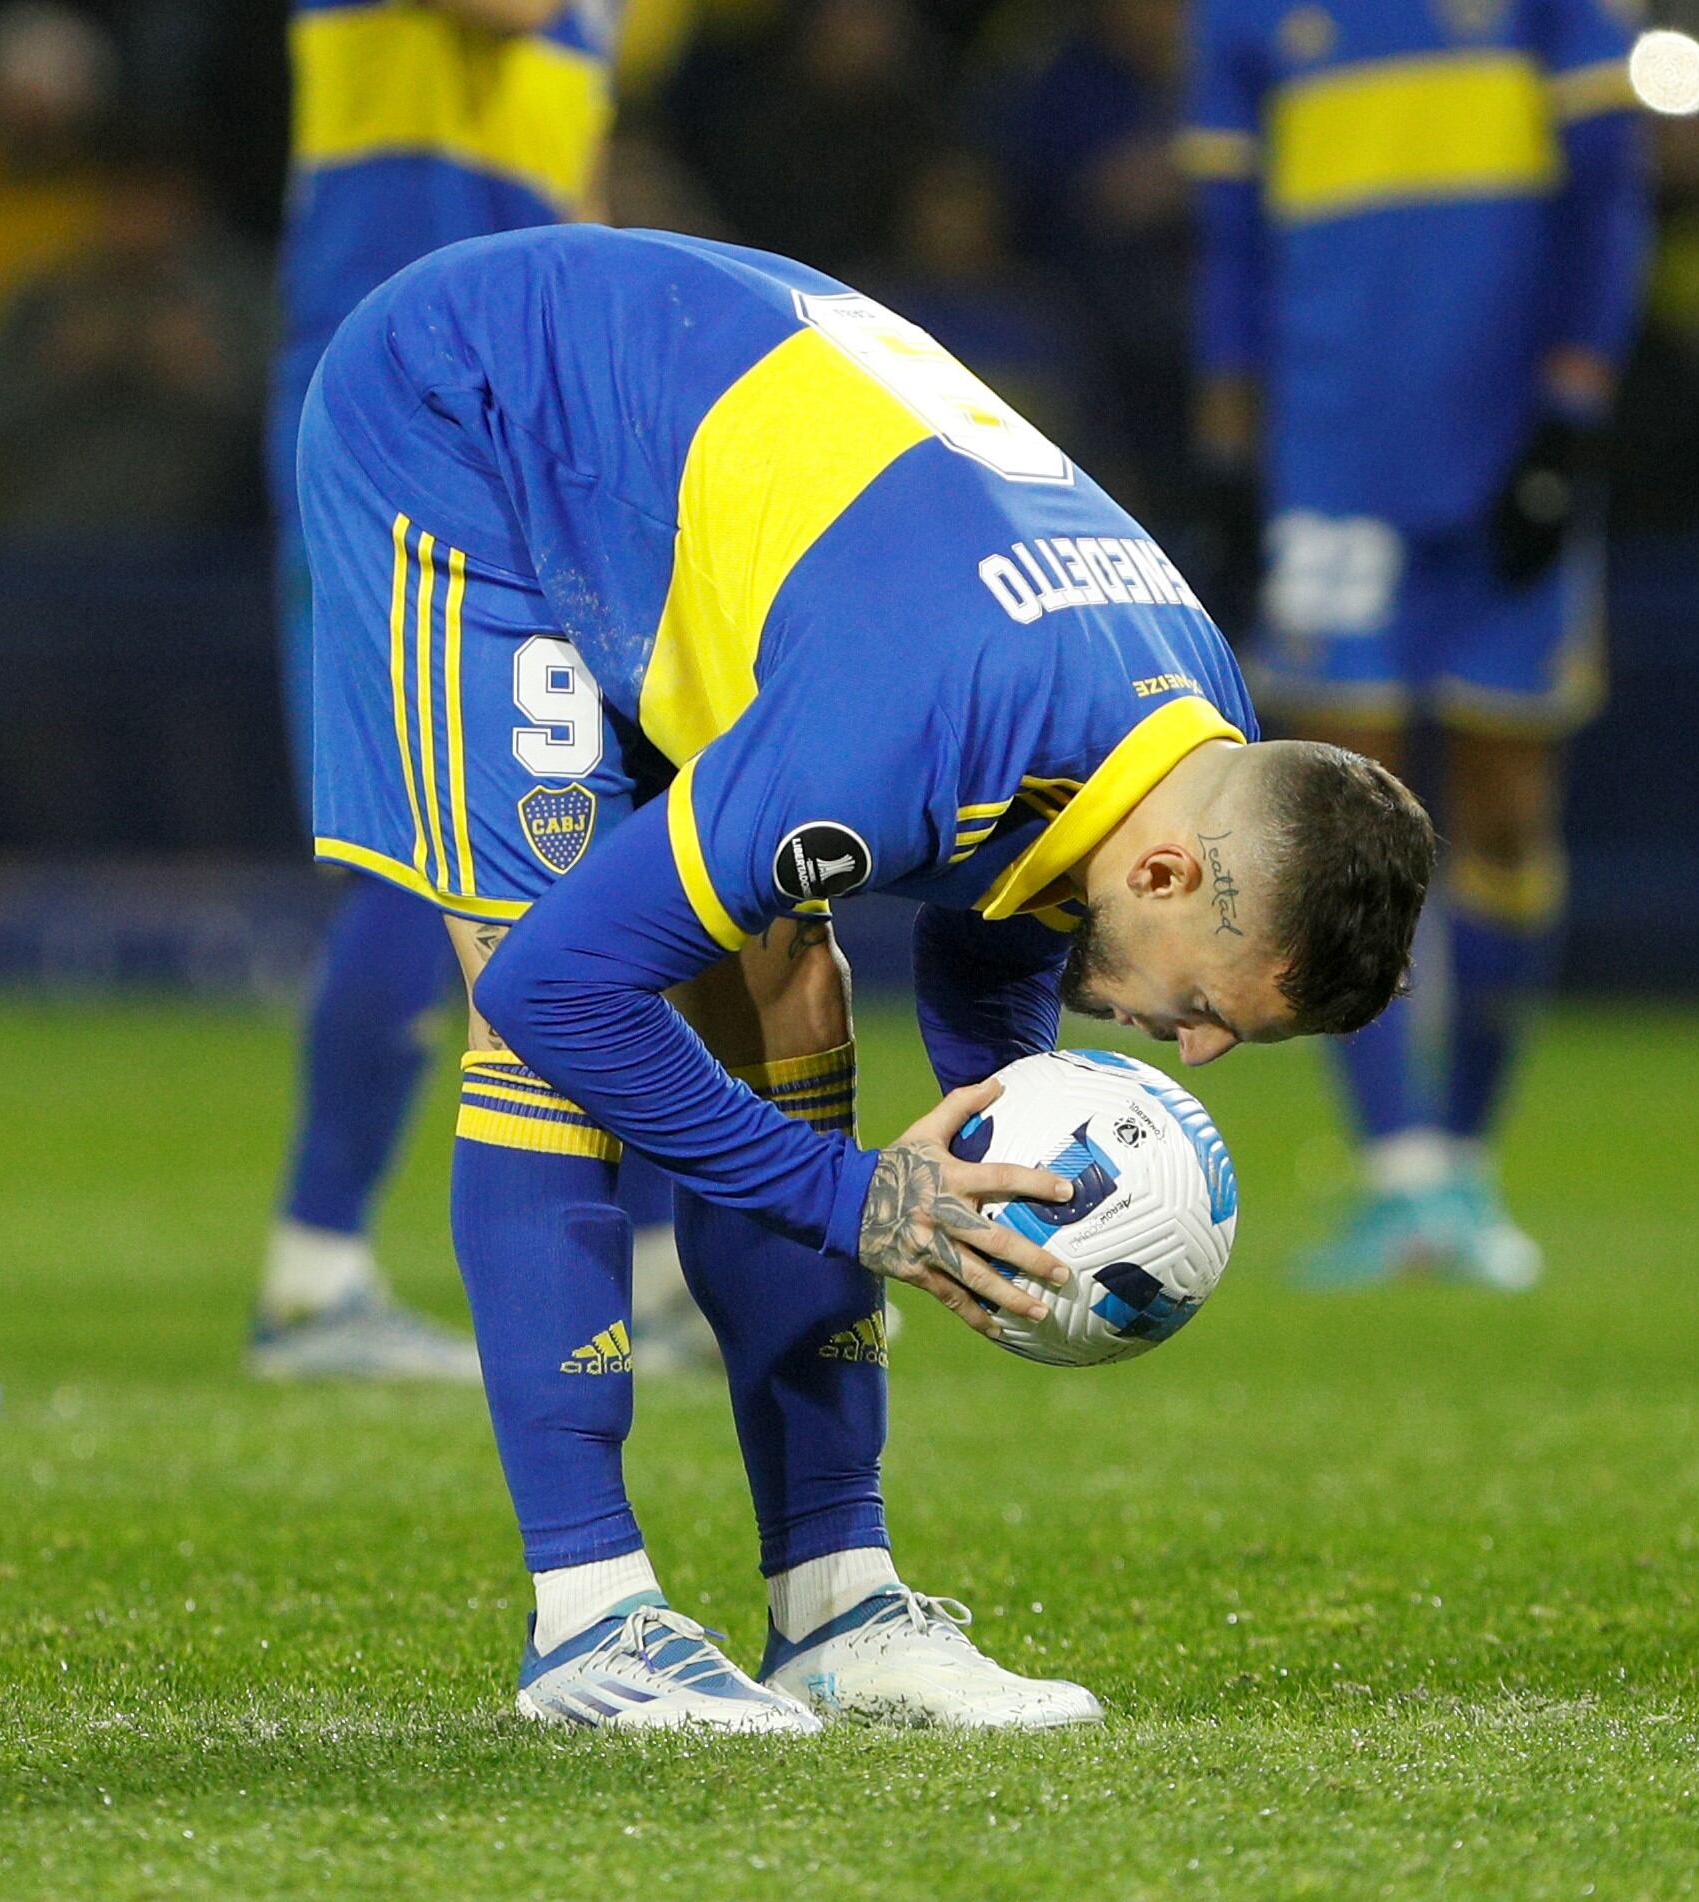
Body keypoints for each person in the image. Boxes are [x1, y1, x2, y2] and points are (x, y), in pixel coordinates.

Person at [300, 224, 1434, 1731]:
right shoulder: (909, 728)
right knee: (548, 983)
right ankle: (588, 1617)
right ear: (1171, 877)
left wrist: (991, 1137)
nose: (1194, 1052)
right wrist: (855, 1201)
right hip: (476, 418)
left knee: (794, 992)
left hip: (685, 489)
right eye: (1217, 1009)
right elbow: (556, 996)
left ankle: (836, 1602)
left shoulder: (1182, 732)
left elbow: (1002, 911)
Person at [1179, 0, 1653, 1289]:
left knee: (1505, 810)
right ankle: (1395, 1170)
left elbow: (1608, 199)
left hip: (1506, 454)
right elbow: (1230, 245)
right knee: (1343, 818)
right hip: (1332, 464)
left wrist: (1571, 410)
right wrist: (1231, 449)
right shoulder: (1247, 19)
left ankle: (1467, 1161)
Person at [255, 0, 634, 1380]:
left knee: (589, 835)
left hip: (522, 427)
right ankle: (313, 1275)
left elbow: (581, 220)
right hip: (375, 410)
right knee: (418, 852)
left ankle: (650, 1269)